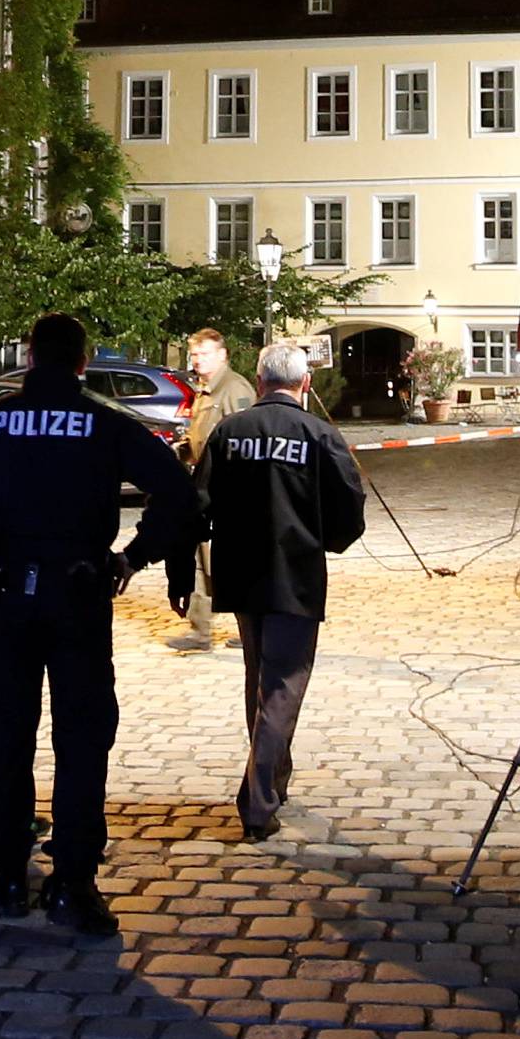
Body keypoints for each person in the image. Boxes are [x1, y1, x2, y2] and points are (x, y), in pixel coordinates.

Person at [0, 311, 195, 934]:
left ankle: (11, 872)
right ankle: (73, 879)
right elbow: (179, 491)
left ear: (27, 354)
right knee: (82, 735)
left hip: (8, 592)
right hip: (80, 591)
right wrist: (134, 555)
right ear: (80, 362)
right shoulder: (105, 423)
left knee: (5, 732)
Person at [195, 340, 367, 841]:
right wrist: (327, 542)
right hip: (295, 577)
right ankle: (257, 802)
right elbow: (348, 512)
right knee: (283, 685)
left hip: (242, 578)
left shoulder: (230, 431)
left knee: (261, 680)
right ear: (305, 384)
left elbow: (199, 504)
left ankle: (274, 776)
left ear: (260, 379)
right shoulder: (319, 434)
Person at [163, 328, 255, 652]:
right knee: (200, 562)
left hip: (229, 492)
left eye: (204, 354)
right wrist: (180, 450)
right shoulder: (203, 393)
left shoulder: (235, 390)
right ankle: (200, 632)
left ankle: (251, 628)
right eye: (195, 355)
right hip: (203, 488)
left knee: (231, 563)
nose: (197, 360)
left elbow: (247, 441)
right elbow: (200, 438)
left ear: (222, 355)